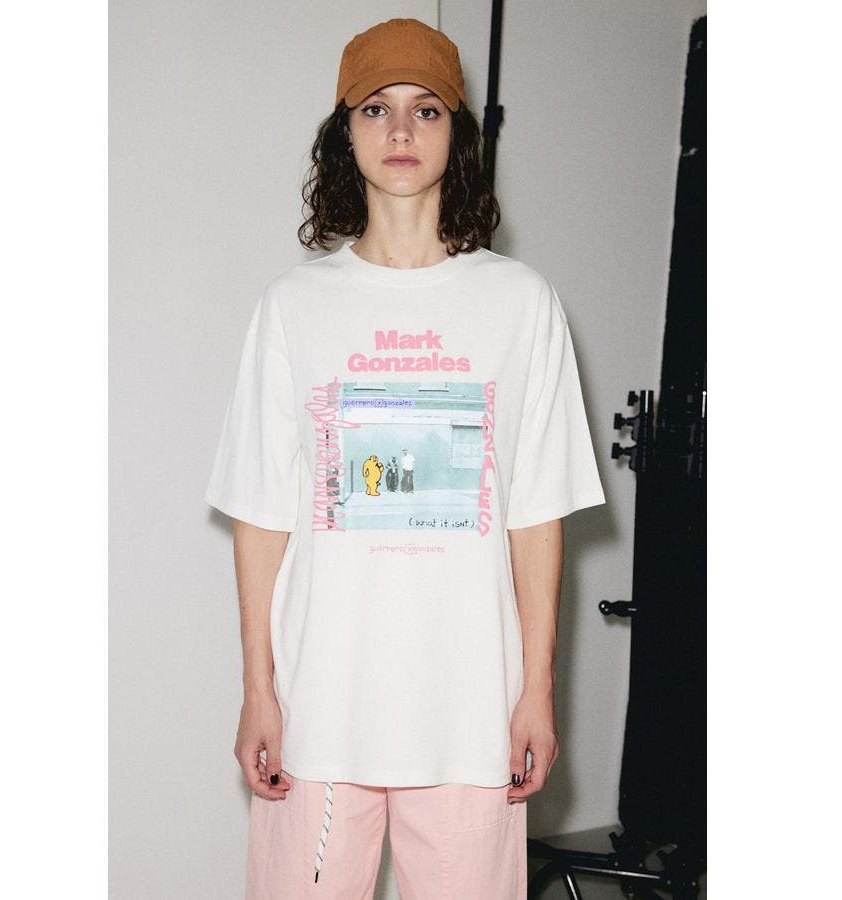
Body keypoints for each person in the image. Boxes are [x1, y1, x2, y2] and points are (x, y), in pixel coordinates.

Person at [204, 17, 606, 898]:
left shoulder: (522, 304)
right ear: (344, 132)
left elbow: (535, 517)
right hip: (319, 713)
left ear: (456, 134)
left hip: (470, 714)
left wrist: (536, 691)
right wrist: (258, 690)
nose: (398, 130)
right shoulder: (293, 307)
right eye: (375, 109)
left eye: (426, 110)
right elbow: (262, 518)